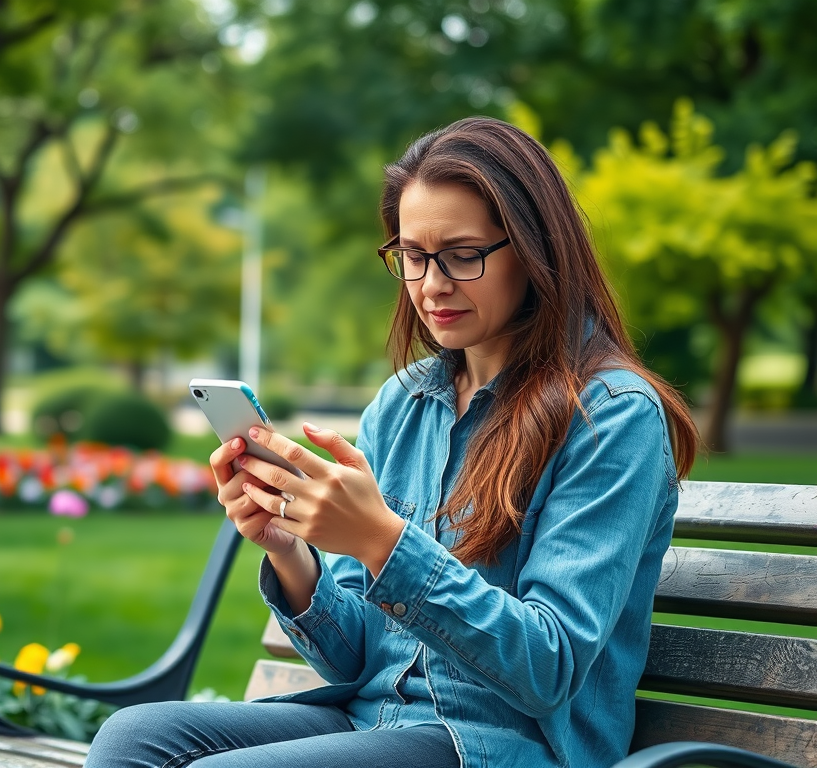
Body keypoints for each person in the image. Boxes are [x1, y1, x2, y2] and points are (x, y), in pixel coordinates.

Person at [85, 116, 700, 768]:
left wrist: (382, 541)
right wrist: (290, 553)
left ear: (532, 249)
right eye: (412, 256)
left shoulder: (612, 417)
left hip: (507, 747)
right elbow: (355, 657)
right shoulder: (403, 403)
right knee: (130, 741)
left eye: (463, 255)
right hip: (374, 722)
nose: (432, 284)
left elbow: (548, 666)